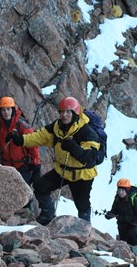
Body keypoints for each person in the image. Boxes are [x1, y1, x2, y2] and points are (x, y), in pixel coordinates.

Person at [6, 96, 100, 225]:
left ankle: (85, 228)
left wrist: (74, 148)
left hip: (82, 175)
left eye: (68, 112)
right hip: (62, 170)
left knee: (82, 204)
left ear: (75, 113)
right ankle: (47, 215)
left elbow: (90, 157)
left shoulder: (86, 131)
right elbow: (39, 137)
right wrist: (20, 140)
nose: (64, 115)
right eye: (62, 111)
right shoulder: (57, 127)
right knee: (40, 186)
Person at [0, 97, 41, 186]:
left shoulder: (22, 126)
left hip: (22, 167)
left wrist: (36, 166)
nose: (6, 112)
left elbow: (33, 146)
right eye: (3, 110)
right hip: (6, 167)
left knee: (25, 197)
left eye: (8, 109)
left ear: (13, 109)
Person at [105, 178, 137, 246]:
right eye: (119, 190)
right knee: (123, 243)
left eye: (123, 190)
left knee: (132, 240)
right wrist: (109, 215)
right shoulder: (117, 199)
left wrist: (124, 218)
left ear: (127, 190)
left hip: (133, 225)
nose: (120, 192)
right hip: (121, 225)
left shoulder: (134, 200)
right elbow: (114, 210)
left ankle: (135, 255)